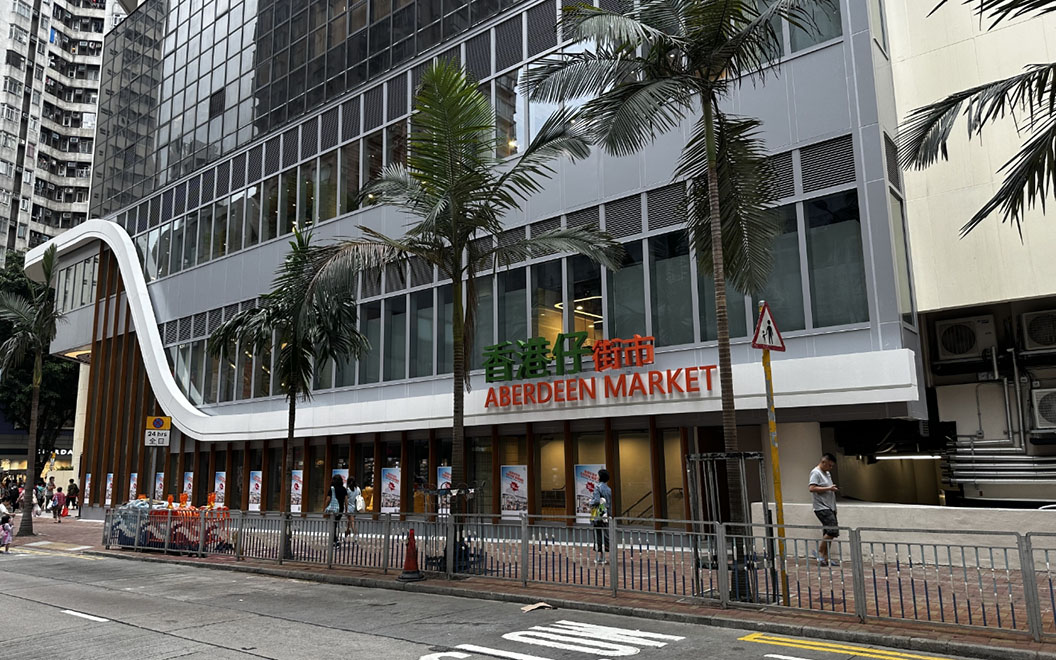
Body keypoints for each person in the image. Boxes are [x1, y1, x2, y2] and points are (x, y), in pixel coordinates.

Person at [809, 453, 840, 566]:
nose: (830, 468)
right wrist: (829, 488)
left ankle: (825, 558)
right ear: (823, 462)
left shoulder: (827, 473)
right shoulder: (816, 472)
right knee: (833, 530)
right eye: (829, 465)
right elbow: (811, 488)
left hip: (829, 506)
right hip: (821, 507)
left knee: (828, 533)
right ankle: (821, 553)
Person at [589, 469, 612, 565]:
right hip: (606, 514)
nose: (596, 477)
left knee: (598, 534)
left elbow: (597, 501)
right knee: (605, 534)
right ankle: (603, 556)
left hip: (598, 514)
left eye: (598, 475)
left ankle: (600, 557)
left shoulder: (598, 487)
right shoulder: (608, 489)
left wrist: (590, 502)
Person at [323, 474, 348, 547]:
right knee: (336, 524)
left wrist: (325, 508)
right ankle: (335, 540)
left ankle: (335, 540)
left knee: (333, 525)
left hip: (332, 510)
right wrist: (346, 510)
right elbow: (346, 500)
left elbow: (328, 499)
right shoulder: (343, 489)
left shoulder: (332, 489)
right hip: (340, 509)